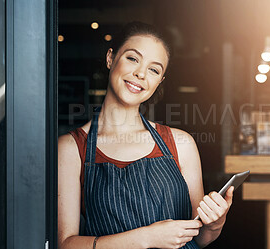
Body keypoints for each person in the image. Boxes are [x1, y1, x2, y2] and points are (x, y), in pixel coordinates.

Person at [58, 21, 234, 249]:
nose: (140, 74)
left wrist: (214, 224)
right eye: (132, 58)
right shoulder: (71, 148)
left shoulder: (180, 143)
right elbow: (65, 244)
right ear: (111, 58)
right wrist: (147, 238)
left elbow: (199, 237)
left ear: (159, 81)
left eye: (154, 69)